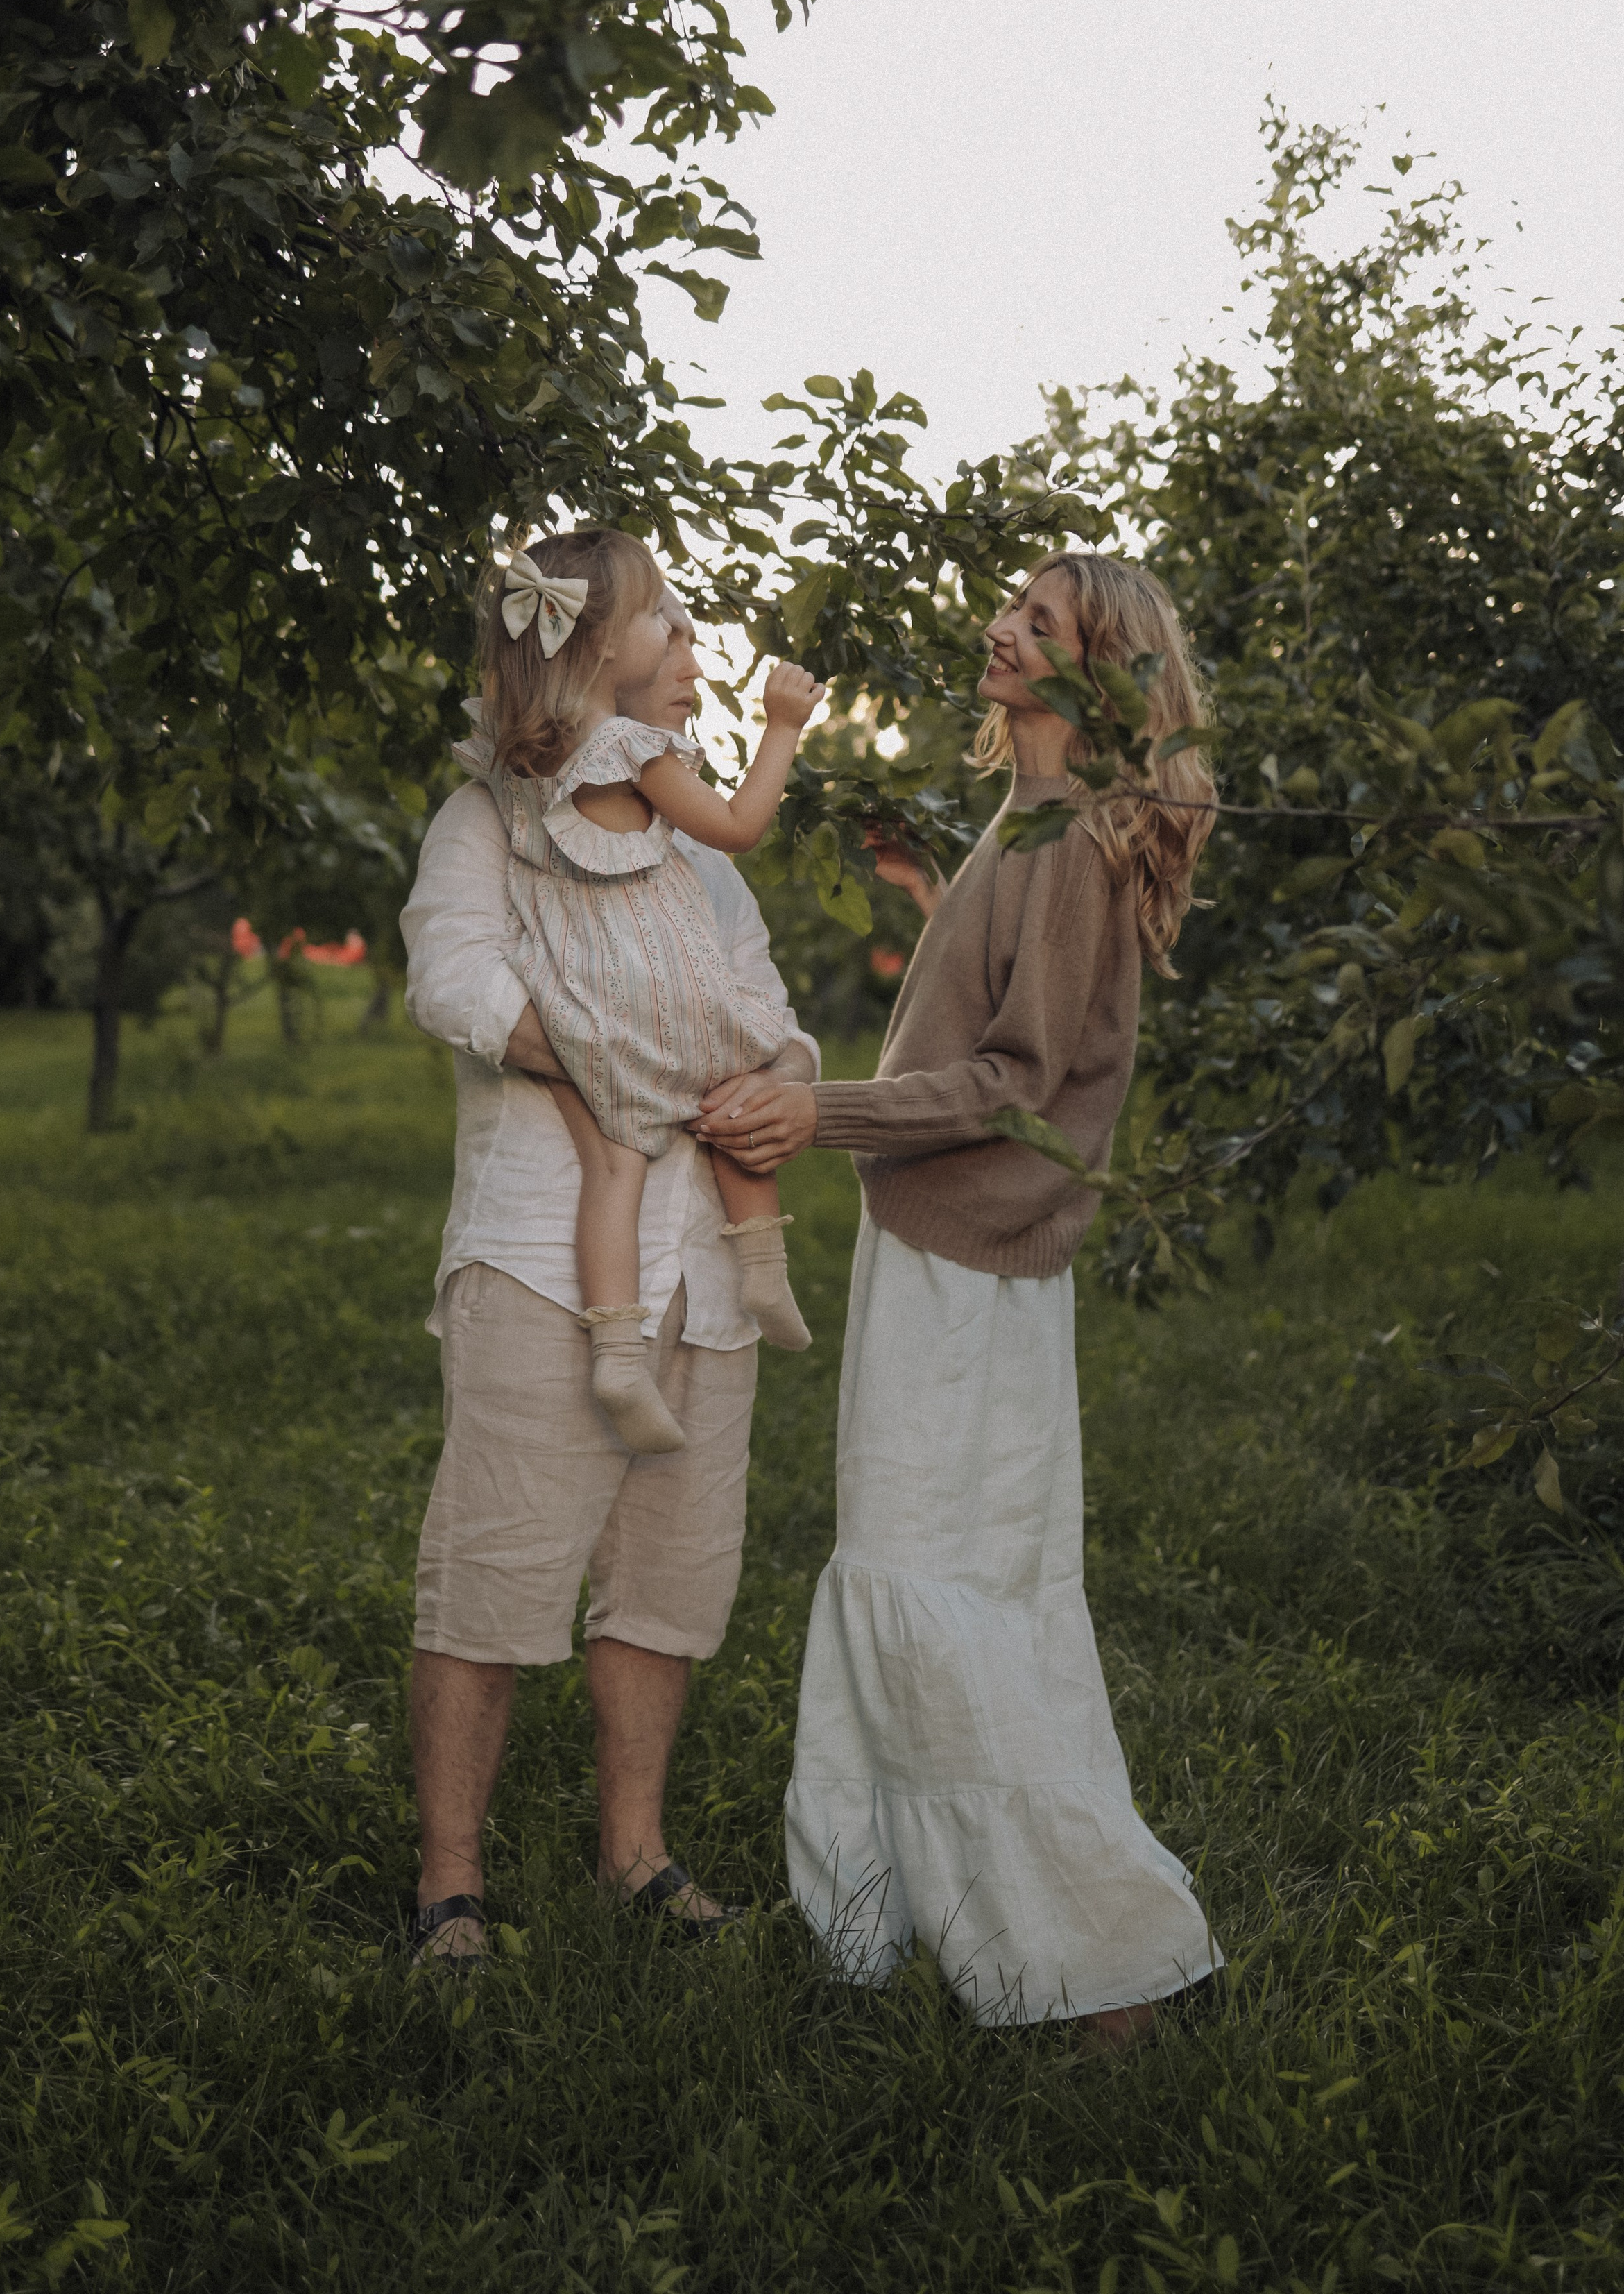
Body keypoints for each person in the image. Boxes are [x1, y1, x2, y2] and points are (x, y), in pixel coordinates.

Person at [694, 550, 1222, 2046]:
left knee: (933, 1575)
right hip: (953, 1245)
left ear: (1094, 674)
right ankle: (891, 1909)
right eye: (1008, 607)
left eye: (1036, 622)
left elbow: (1014, 1080)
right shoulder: (1028, 822)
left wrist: (823, 1118)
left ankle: (1083, 1958)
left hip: (968, 1255)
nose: (998, 629)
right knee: (941, 1569)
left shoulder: (1061, 843)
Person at [398, 581, 821, 1970]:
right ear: (588, 655)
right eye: (671, 624)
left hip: (705, 1272)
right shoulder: (487, 825)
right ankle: (450, 1885)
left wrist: (785, 1089)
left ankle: (630, 1853)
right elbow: (452, 982)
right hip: (543, 1256)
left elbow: (762, 1014)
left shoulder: (704, 857)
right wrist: (618, 1057)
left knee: (669, 1576)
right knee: (495, 1570)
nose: (694, 651)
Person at [461, 531, 824, 1454]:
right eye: (658, 617)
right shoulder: (630, 747)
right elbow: (739, 827)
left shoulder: (515, 761)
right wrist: (783, 727)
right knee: (734, 1071)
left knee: (613, 1169)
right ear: (602, 647)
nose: (672, 633)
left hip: (573, 995)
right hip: (653, 976)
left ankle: (616, 1358)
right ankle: (764, 1266)